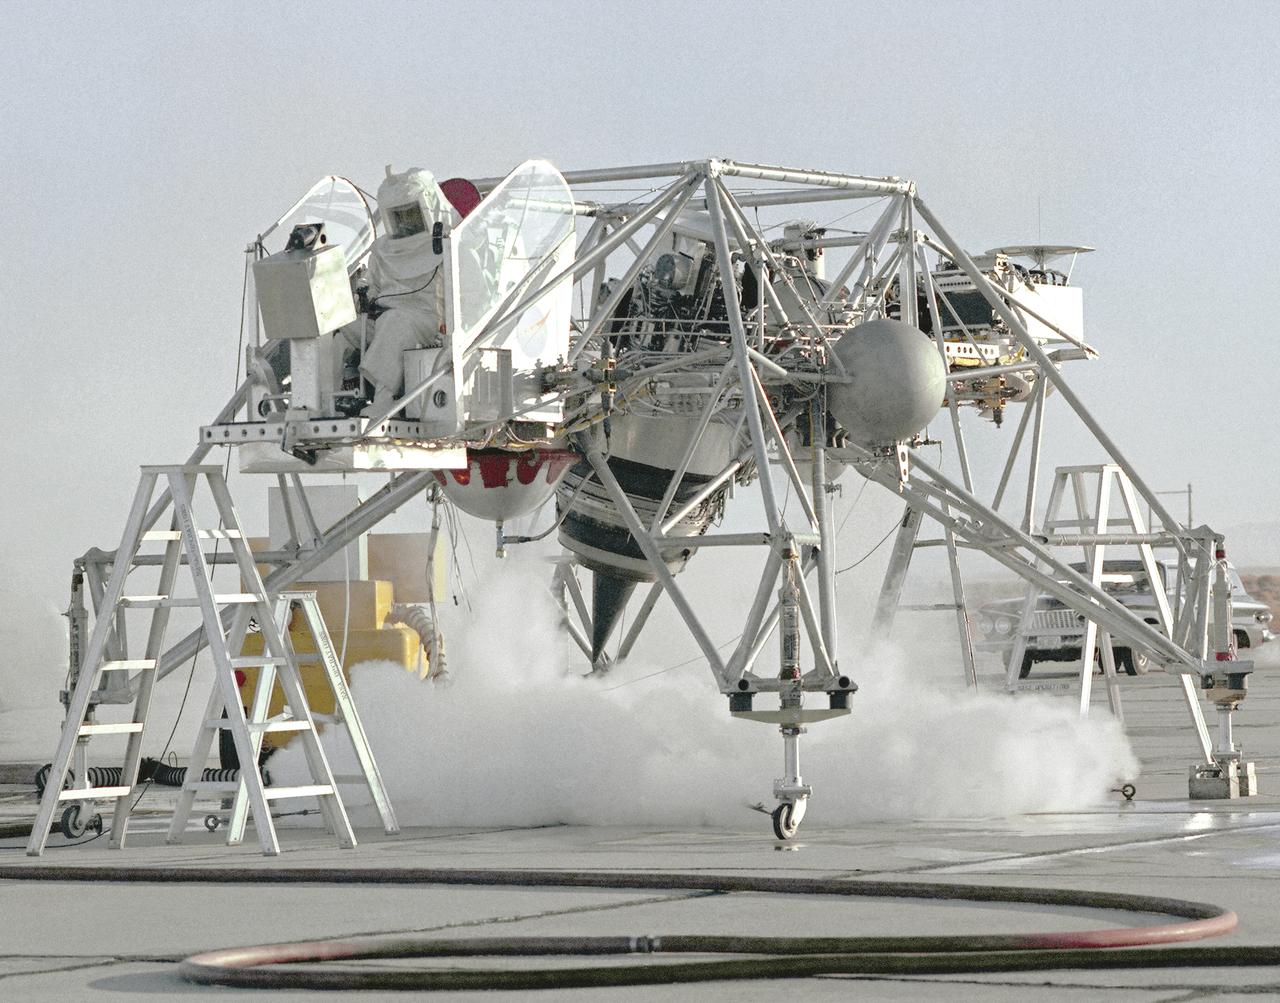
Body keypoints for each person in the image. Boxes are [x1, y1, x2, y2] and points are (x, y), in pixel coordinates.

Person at [360, 166, 458, 416]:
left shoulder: (453, 244)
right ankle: (321, 402)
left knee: (397, 323)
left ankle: (383, 399)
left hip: (430, 320)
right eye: (399, 216)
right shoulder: (382, 249)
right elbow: (373, 286)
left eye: (412, 214)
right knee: (339, 333)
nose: (406, 222)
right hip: (384, 313)